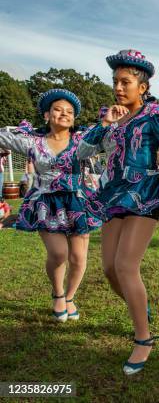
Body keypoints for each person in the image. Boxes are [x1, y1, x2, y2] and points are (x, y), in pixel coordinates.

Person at [77, 49, 159, 375]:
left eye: (126, 82)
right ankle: (141, 308)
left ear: (142, 87)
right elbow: (82, 152)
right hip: (114, 194)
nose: (119, 88)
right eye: (115, 82)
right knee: (108, 269)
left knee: (125, 265)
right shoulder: (111, 118)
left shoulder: (155, 116)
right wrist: (104, 123)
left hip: (144, 193)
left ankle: (143, 338)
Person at [0, 89, 103, 322]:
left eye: (69, 112)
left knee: (78, 257)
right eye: (58, 109)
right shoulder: (32, 141)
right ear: (47, 115)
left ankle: (70, 297)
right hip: (46, 202)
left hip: (77, 201)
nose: (64, 114)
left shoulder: (81, 141)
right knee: (58, 254)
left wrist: (109, 123)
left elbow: (106, 139)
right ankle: (57, 293)